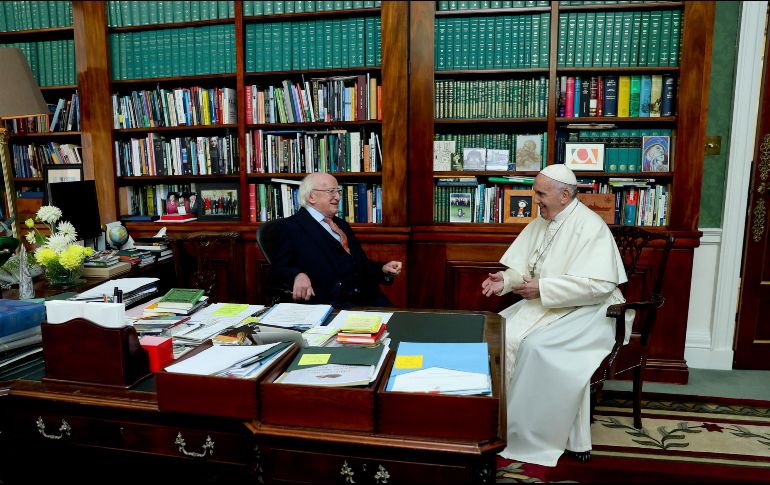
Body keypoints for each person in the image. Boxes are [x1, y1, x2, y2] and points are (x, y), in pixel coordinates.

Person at [481, 164, 629, 467]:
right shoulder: (543, 220)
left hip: (593, 311)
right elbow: (526, 268)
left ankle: (560, 438)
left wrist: (544, 288)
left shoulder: (590, 226)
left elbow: (600, 285)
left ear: (564, 195)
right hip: (550, 304)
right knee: (497, 335)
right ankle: (498, 426)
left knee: (541, 349)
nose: (535, 199)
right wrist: (506, 281)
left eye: (540, 193)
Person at [270, 172, 402, 308]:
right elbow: (278, 269)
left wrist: (383, 268)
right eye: (331, 191)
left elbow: (358, 264)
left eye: (338, 191)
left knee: (399, 325)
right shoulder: (290, 227)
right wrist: (297, 275)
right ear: (311, 196)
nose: (338, 197)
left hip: (369, 299)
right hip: (333, 304)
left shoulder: (341, 224)